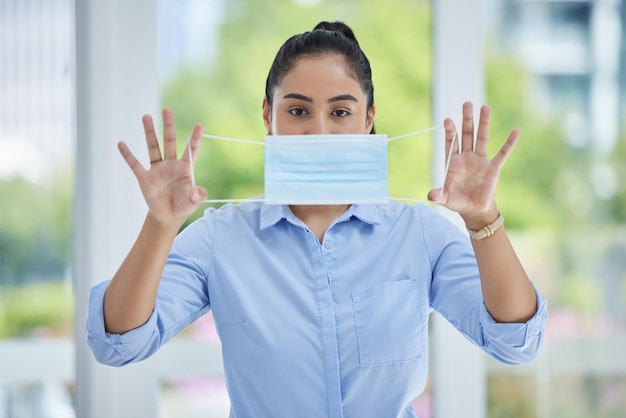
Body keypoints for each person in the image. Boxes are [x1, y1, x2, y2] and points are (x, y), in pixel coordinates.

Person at [86, 21, 548, 417]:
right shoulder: (220, 238)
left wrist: (483, 217)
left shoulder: (419, 234)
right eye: (298, 110)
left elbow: (516, 341)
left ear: (369, 119)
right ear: (269, 117)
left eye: (341, 111)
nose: (319, 130)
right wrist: (161, 225)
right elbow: (118, 344)